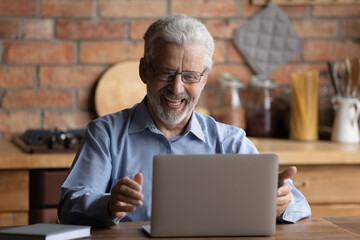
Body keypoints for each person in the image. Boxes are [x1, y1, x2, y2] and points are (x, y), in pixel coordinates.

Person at [58, 14, 311, 227]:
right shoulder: (105, 134)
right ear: (144, 70)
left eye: (189, 76)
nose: (177, 88)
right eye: (166, 73)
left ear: (204, 79)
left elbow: (300, 206)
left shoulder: (230, 142)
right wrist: (108, 205)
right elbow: (69, 206)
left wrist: (280, 204)